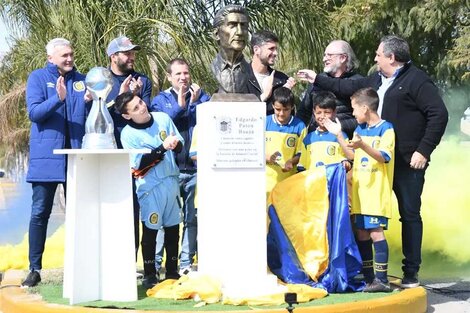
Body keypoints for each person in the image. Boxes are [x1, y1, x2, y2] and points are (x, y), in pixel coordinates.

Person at [298, 35, 449, 288]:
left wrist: (423, 151)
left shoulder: (417, 80)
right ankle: (369, 275)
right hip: (370, 168)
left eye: (379, 54)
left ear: (391, 57)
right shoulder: (376, 79)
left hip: (405, 162)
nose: (375, 57)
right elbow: (346, 89)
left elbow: (439, 114)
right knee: (363, 218)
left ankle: (410, 272)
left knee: (409, 214)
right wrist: (317, 79)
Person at [22, 38, 89, 287]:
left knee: (81, 212)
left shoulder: (82, 80)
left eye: (71, 54)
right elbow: (34, 113)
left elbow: (89, 114)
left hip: (77, 157)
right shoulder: (37, 78)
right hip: (47, 158)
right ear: (51, 58)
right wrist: (58, 99)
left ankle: (82, 265)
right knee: (40, 212)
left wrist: (94, 101)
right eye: (65, 56)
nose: (70, 59)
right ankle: (34, 269)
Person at [328, 88, 395, 292]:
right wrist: (338, 134)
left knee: (376, 233)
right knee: (363, 234)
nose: (353, 113)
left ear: (365, 108)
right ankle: (369, 279)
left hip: (376, 192)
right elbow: (353, 155)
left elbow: (383, 156)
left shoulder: (386, 128)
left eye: (354, 109)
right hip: (359, 193)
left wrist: (363, 145)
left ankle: (382, 279)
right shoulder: (360, 130)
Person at [115, 92, 184, 283]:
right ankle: (150, 273)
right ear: (127, 116)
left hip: (171, 181)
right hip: (150, 187)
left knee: (172, 228)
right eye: (136, 108)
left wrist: (176, 144)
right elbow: (138, 164)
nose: (142, 107)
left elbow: (180, 146)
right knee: (151, 229)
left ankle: (171, 271)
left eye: (141, 102)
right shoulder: (128, 134)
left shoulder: (163, 118)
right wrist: (162, 148)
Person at [150, 58, 210, 275]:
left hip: (195, 170)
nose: (183, 78)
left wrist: (194, 104)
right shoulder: (161, 100)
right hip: (170, 171)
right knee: (165, 219)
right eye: (178, 74)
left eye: (186, 73)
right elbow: (163, 122)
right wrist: (183, 104)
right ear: (169, 77)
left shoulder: (202, 97)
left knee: (192, 218)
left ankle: (185, 264)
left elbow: (211, 121)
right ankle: (156, 265)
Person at [105, 35, 156, 288]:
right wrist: (121, 96)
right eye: (126, 53)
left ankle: (134, 265)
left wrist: (132, 97)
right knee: (114, 211)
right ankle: (111, 262)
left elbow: (141, 117)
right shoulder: (102, 80)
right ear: (114, 56)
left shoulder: (143, 80)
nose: (132, 57)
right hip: (109, 156)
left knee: (136, 211)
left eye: (133, 52)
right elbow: (103, 115)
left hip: (136, 157)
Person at [297, 40, 362, 139]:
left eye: (329, 55)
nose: (324, 59)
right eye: (324, 55)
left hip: (345, 143)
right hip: (316, 142)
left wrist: (338, 127)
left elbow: (363, 118)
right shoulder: (316, 81)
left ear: (343, 58)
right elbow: (304, 112)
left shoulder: (357, 82)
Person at [265, 87, 306, 197]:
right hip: (265, 183)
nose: (282, 113)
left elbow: (301, 153)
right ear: (273, 105)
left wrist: (292, 162)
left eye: (286, 109)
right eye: (278, 109)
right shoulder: (264, 122)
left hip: (288, 182)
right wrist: (266, 157)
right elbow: (252, 149)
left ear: (292, 107)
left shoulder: (300, 126)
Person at [297, 91, 353, 172]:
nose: (322, 116)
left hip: (332, 183)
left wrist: (346, 163)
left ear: (334, 113)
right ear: (314, 113)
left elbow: (350, 158)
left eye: (327, 112)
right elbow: (302, 167)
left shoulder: (341, 136)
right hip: (313, 183)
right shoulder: (308, 139)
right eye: (319, 112)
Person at [247, 30, 296, 115]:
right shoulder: (239, 78)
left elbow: (289, 117)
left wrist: (283, 94)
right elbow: (235, 111)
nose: (276, 53)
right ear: (256, 50)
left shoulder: (282, 79)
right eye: (271, 49)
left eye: (276, 49)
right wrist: (264, 96)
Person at [211, 4, 251, 93]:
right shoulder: (212, 68)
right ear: (217, 34)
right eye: (232, 25)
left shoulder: (249, 70)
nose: (240, 32)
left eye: (243, 26)